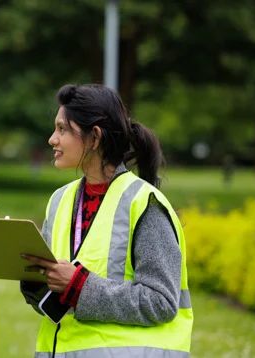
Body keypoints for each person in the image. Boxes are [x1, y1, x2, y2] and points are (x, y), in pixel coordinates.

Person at [21, 84, 194, 357]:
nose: (52, 139)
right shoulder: (59, 200)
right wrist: (32, 277)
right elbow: (57, 291)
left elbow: (161, 301)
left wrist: (79, 286)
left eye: (62, 129)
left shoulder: (144, 203)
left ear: (94, 137)